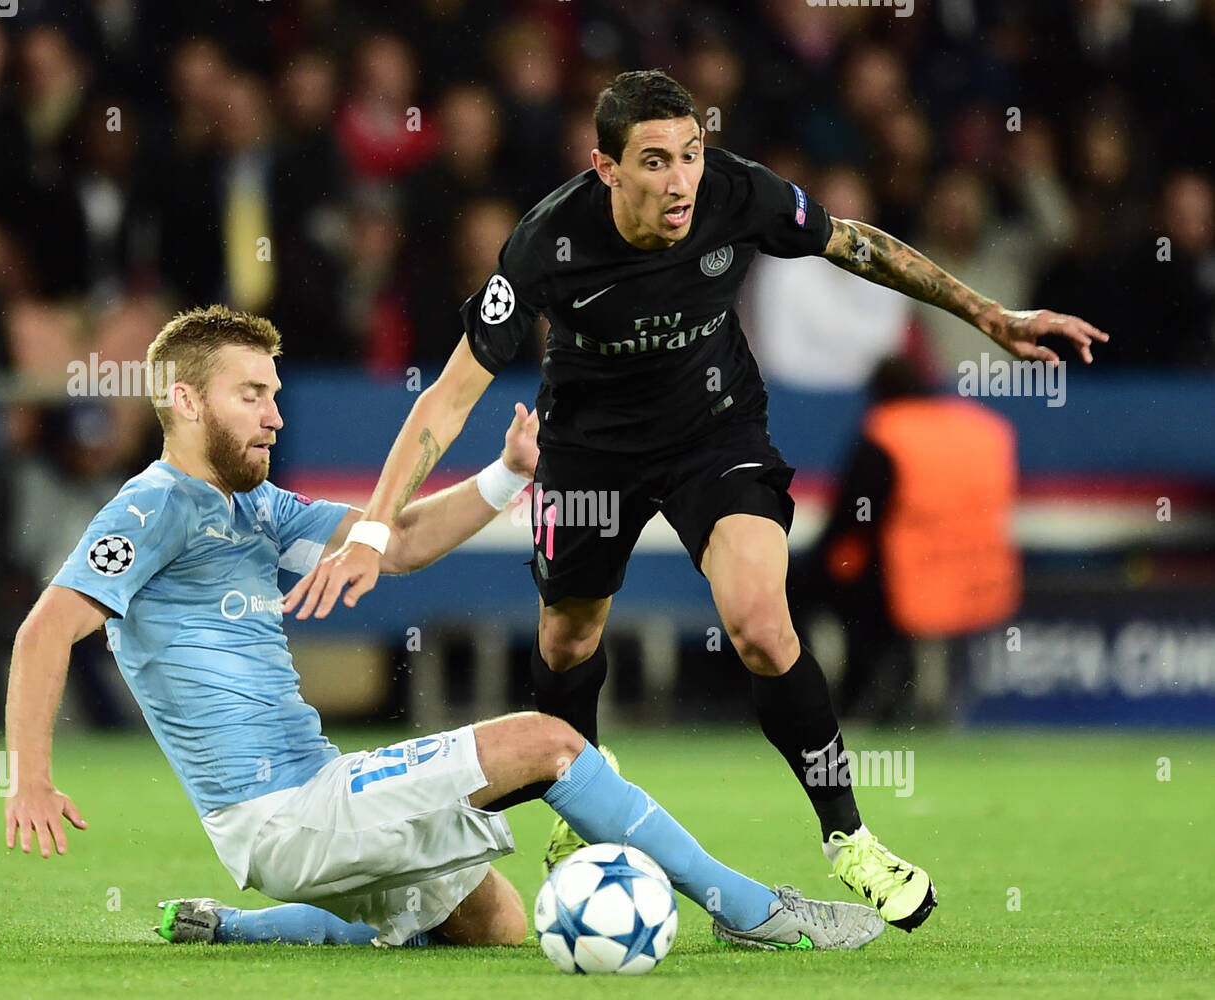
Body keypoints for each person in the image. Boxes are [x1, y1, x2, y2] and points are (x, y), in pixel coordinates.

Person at [285, 71, 1109, 934]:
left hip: (714, 432)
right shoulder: (544, 244)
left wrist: (987, 315)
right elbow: (447, 397)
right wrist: (374, 530)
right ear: (605, 167)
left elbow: (853, 243)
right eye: (654, 161)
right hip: (590, 450)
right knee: (567, 639)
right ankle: (581, 803)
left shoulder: (736, 193)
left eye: (690, 154)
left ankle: (850, 838)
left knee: (760, 622)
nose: (680, 180)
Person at [3, 304, 885, 953]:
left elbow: (401, 541)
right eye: (251, 395)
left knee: (492, 925)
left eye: (274, 393)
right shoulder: (153, 504)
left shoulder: (256, 507)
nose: (275, 413)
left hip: (320, 795)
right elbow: (44, 630)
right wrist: (30, 781)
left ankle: (235, 930)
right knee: (550, 742)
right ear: (187, 403)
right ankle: (753, 912)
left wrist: (505, 475)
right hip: (283, 815)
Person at [791, 356, 1020, 723]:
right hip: (980, 577)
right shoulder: (984, 429)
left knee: (798, 588)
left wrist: (807, 568)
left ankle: (817, 705)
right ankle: (925, 702)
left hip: (907, 582)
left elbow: (851, 522)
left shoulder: (887, 434)